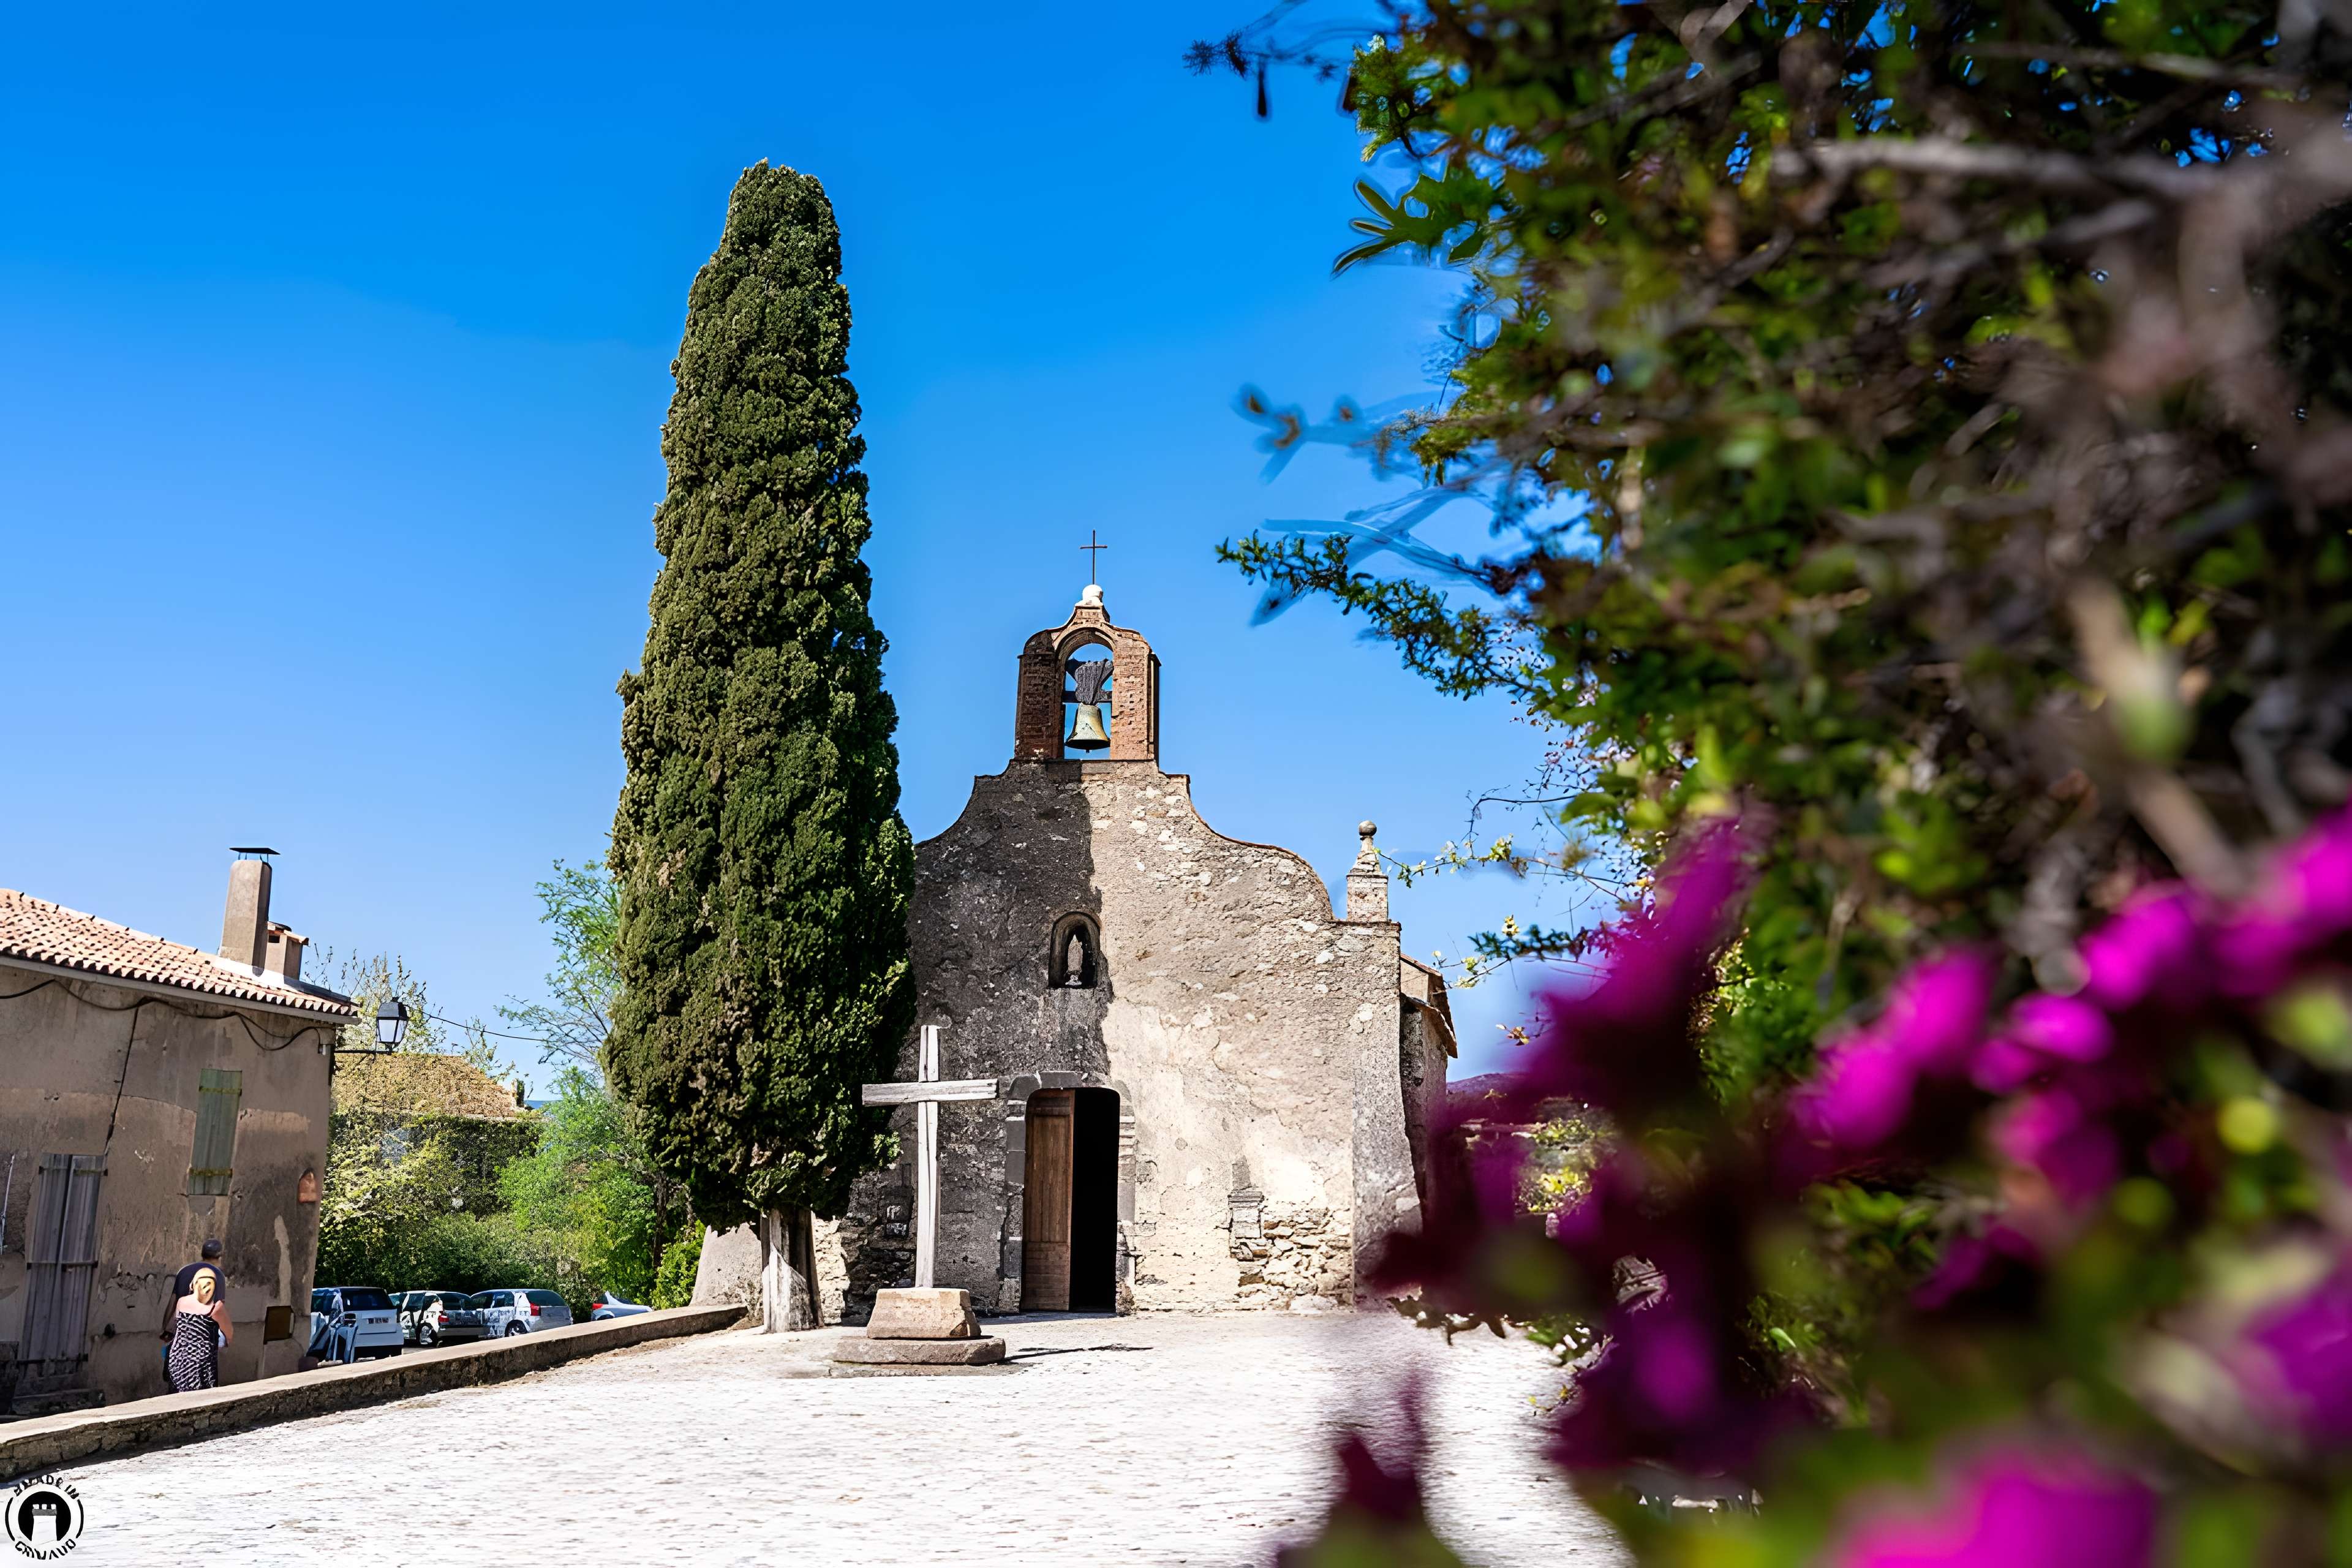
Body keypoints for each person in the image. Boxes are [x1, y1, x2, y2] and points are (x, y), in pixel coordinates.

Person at [162, 1241, 231, 1392]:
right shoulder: (217, 1275)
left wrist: (166, 1329)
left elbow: (172, 1302)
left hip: (179, 1336)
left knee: (175, 1384)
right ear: (220, 1257)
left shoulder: (184, 1271)